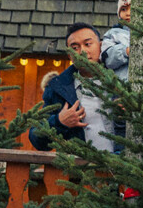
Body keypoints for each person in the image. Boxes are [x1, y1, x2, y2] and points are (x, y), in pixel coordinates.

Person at [30, 22, 114, 152]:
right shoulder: (58, 89)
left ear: (101, 46)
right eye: (75, 48)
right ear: (70, 56)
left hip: (124, 168)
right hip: (79, 169)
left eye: (87, 44)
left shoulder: (121, 80)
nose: (83, 52)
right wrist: (59, 122)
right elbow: (36, 139)